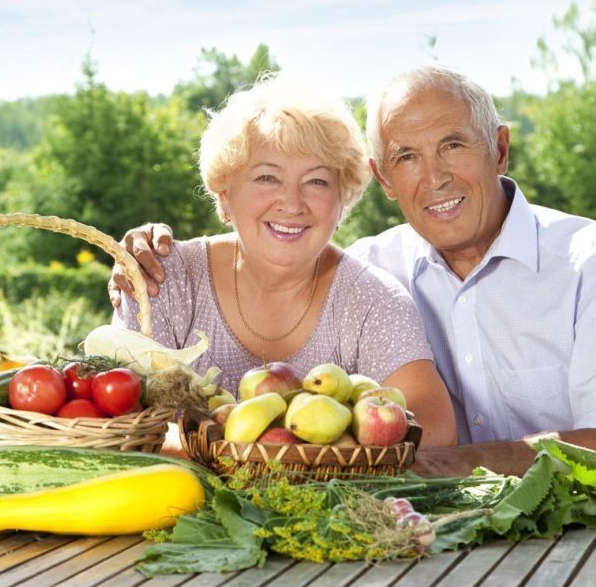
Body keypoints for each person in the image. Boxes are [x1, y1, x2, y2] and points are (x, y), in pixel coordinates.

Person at [112, 66, 596, 477]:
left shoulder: (583, 265)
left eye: (452, 145)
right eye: (406, 156)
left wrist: (437, 467)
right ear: (383, 177)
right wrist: (140, 256)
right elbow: (110, 414)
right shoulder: (375, 263)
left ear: (500, 149)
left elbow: (430, 432)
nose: (434, 177)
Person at [111, 73, 457, 448]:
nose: (292, 203)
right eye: (266, 177)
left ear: (343, 202)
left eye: (317, 182)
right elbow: (120, 419)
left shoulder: (373, 300)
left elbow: (435, 433)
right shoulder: (165, 278)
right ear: (225, 195)